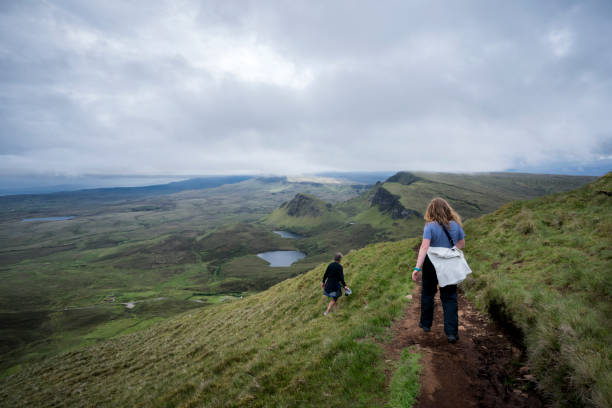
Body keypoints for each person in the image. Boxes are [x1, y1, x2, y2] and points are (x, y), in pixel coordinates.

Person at [412, 198, 466, 343]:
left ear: (431, 210)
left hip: (431, 263)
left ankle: (426, 324)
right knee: (449, 297)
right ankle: (452, 334)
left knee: (428, 294)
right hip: (448, 264)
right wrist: (447, 251)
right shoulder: (456, 225)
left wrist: (417, 268)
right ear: (447, 209)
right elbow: (461, 244)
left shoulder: (429, 226)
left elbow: (424, 247)